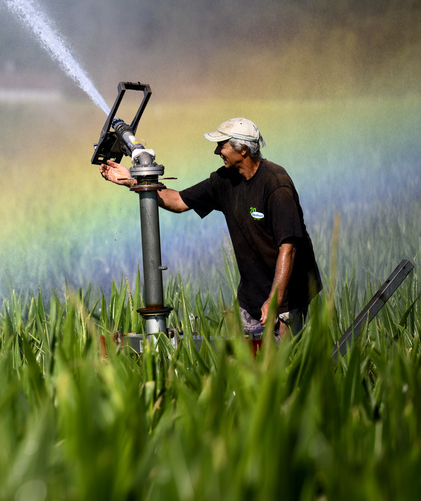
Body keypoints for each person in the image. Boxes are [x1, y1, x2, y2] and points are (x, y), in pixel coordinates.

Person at [99, 117, 321, 337]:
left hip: (287, 296)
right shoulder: (225, 180)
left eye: (221, 145)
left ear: (243, 149)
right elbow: (177, 201)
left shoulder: (276, 185)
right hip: (251, 295)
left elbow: (289, 248)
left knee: (282, 365)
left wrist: (275, 301)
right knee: (244, 364)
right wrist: (132, 180)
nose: (217, 152)